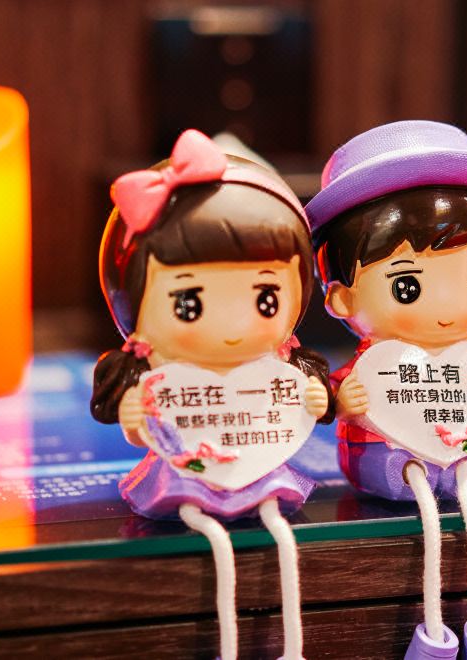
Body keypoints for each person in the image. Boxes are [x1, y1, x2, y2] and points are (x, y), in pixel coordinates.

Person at [91, 129, 333, 660]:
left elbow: (303, 406)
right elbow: (143, 429)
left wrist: (313, 402)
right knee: (210, 548)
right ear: (133, 301)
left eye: (265, 298)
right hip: (183, 476)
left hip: (261, 466)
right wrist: (136, 417)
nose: (231, 329)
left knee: (280, 547)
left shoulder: (282, 366)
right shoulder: (155, 374)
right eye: (190, 303)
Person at [307, 120, 467, 660]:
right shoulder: (374, 365)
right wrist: (344, 402)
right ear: (340, 299)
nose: (446, 306)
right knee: (400, 473)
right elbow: (335, 396)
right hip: (381, 459)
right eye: (407, 285)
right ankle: (433, 637)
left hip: (457, 453)